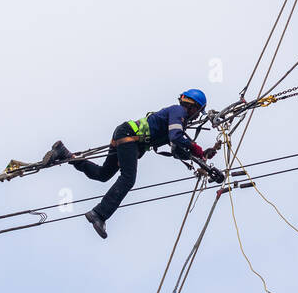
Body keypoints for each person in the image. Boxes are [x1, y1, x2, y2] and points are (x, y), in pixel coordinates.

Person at [41, 89, 216, 239]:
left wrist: (200, 156)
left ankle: (64, 153)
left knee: (103, 174)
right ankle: (99, 214)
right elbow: (176, 137)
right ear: (193, 107)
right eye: (197, 112)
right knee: (128, 179)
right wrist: (196, 148)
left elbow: (176, 148)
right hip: (129, 137)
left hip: (125, 134)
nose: (195, 117)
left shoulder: (176, 117)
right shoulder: (179, 112)